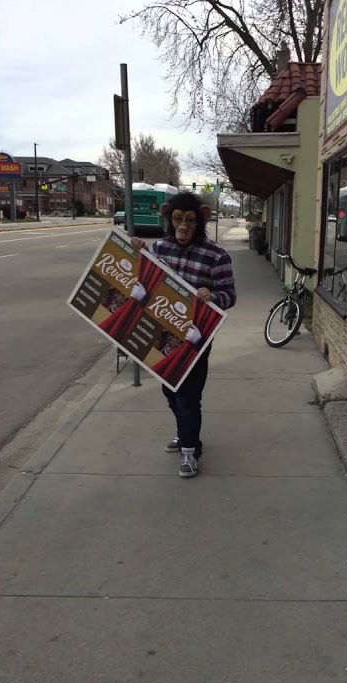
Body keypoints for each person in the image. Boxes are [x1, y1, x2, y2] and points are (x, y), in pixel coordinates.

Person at [131, 191, 236, 478]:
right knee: (169, 388)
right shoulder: (160, 248)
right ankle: (185, 434)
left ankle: (190, 451)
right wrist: (136, 251)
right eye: (178, 220)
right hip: (163, 330)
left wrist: (212, 295)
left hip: (196, 335)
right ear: (168, 216)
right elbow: (143, 278)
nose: (183, 227)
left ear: (201, 219)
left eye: (190, 221)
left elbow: (230, 294)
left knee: (189, 395)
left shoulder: (216, 255)